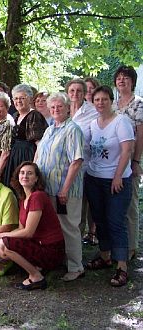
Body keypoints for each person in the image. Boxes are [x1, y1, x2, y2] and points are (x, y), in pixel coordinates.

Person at [85, 85, 134, 287]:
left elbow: (126, 151)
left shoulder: (121, 121)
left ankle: (121, 266)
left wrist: (117, 176)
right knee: (99, 219)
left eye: (104, 99)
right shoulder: (92, 124)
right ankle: (105, 257)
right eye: (97, 100)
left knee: (115, 221)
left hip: (116, 180)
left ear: (111, 100)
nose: (100, 103)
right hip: (94, 178)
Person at [35, 92, 85, 282]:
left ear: (67, 108)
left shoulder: (73, 129)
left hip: (65, 191)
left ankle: (76, 266)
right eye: (53, 107)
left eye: (59, 106)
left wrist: (64, 189)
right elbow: (39, 157)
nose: (56, 110)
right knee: (52, 228)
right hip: (47, 189)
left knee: (69, 227)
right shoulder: (49, 129)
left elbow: (76, 161)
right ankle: (59, 260)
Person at [0, 162, 65, 290]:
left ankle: (37, 277)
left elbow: (28, 232)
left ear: (36, 178)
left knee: (5, 242)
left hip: (51, 249)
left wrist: (1, 235)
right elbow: (20, 229)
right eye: (22, 173)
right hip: (38, 244)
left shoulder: (38, 196)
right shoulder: (23, 199)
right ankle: (37, 267)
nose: (25, 176)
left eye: (30, 173)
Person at [112, 65, 143, 261]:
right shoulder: (113, 105)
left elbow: (141, 133)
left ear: (132, 81)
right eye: (119, 78)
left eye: (126, 78)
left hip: (130, 159)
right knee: (116, 205)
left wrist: (136, 160)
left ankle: (131, 246)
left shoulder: (138, 103)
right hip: (112, 163)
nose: (121, 81)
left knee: (130, 204)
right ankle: (116, 246)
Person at [66, 78, 99, 245]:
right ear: (67, 92)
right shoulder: (62, 110)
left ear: (84, 92)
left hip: (85, 166)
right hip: (65, 168)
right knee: (71, 210)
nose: (75, 94)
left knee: (85, 204)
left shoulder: (93, 112)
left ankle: (79, 245)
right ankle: (72, 245)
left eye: (79, 90)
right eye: (72, 90)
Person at [2, 84, 48, 187]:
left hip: (27, 158)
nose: (18, 101)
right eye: (16, 98)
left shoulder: (34, 116)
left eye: (22, 98)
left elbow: (40, 144)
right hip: (14, 159)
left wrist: (33, 166)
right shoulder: (15, 116)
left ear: (30, 99)